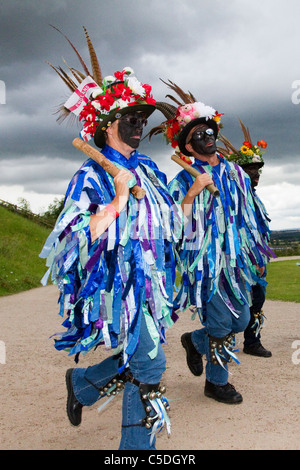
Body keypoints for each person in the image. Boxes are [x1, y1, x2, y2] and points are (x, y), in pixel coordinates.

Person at [40, 29, 181, 450]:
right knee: (150, 366)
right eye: (132, 119)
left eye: (144, 119)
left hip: (151, 287)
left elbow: (169, 224)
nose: (141, 126)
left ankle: (83, 385)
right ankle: (137, 451)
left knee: (140, 358)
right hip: (117, 288)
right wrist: (118, 198)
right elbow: (74, 240)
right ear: (107, 125)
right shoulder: (90, 175)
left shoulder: (151, 171)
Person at [153, 81, 274, 404]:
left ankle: (195, 340)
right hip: (205, 264)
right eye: (199, 137)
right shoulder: (181, 181)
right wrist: (193, 193)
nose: (208, 139)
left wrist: (256, 250)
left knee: (242, 319)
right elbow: (176, 228)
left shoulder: (236, 173)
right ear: (187, 147)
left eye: (210, 133)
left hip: (237, 263)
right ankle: (216, 382)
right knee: (222, 323)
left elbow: (250, 214)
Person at [218, 121, 274, 357]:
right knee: (232, 301)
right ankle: (220, 340)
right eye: (251, 170)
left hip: (257, 261)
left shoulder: (255, 198)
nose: (256, 174)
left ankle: (252, 341)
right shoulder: (232, 199)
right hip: (237, 260)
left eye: (258, 170)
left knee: (257, 300)